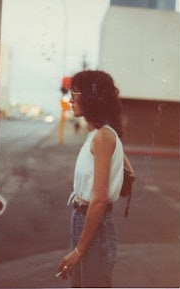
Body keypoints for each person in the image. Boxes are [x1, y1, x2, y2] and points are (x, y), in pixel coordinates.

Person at [57, 70, 124, 288]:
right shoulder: (98, 134)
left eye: (74, 94)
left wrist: (78, 251)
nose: (70, 100)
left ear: (90, 97)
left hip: (93, 222)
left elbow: (99, 199)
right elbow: (128, 173)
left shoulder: (104, 137)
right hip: (82, 218)